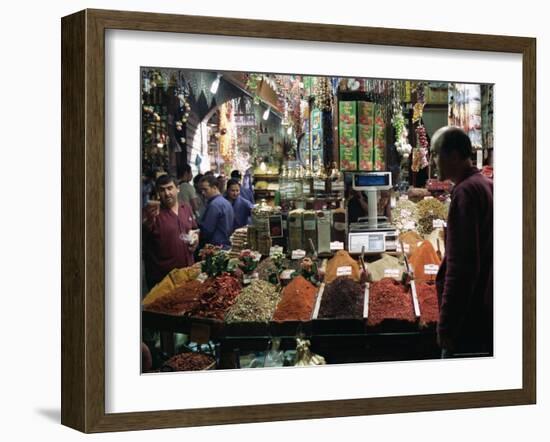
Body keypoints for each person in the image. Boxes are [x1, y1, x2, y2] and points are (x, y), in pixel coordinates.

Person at [432, 126, 493, 358]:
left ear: (455, 155)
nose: (433, 161)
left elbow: (462, 267)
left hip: (469, 319)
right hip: (484, 310)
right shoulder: (485, 184)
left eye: (436, 154)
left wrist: (447, 324)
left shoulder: (465, 193)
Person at [142, 174, 198, 289]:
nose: (167, 193)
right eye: (162, 190)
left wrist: (196, 238)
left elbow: (194, 229)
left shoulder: (186, 208)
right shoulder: (152, 213)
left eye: (170, 188)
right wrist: (147, 220)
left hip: (188, 273)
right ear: (158, 193)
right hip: (164, 280)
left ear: (177, 189)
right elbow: (144, 236)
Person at [197, 175, 234, 249]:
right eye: (202, 190)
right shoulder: (226, 202)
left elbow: (207, 230)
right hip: (226, 245)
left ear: (214, 188)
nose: (203, 193)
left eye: (205, 189)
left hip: (216, 247)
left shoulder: (214, 205)